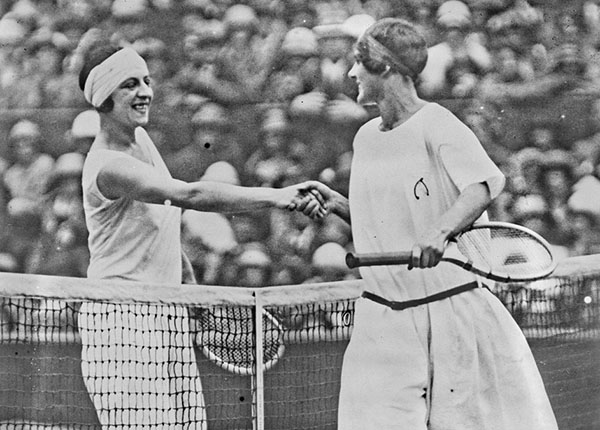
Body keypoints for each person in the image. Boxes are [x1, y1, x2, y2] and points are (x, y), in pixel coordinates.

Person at [303, 17, 558, 430]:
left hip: (452, 312)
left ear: (384, 68)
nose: (350, 73)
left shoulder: (438, 123)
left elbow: (481, 186)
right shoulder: (365, 137)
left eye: (358, 63)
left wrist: (440, 231)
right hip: (383, 321)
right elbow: (384, 222)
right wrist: (338, 204)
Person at [75, 41, 324, 429]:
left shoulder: (140, 139)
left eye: (146, 81)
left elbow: (161, 224)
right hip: (121, 321)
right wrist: (278, 197)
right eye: (129, 84)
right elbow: (188, 195)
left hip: (166, 311)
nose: (145, 92)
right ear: (104, 96)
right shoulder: (109, 165)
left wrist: (190, 286)